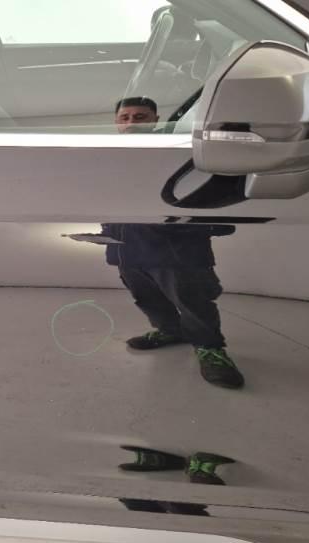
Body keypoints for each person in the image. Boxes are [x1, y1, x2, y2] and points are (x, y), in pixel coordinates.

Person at [107, 97, 245, 389]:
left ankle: (210, 349)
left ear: (157, 119)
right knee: (146, 297)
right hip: (126, 247)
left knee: (192, 300)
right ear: (116, 122)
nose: (131, 123)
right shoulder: (109, 156)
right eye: (125, 117)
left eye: (140, 117)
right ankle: (170, 331)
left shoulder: (179, 149)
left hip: (177, 248)